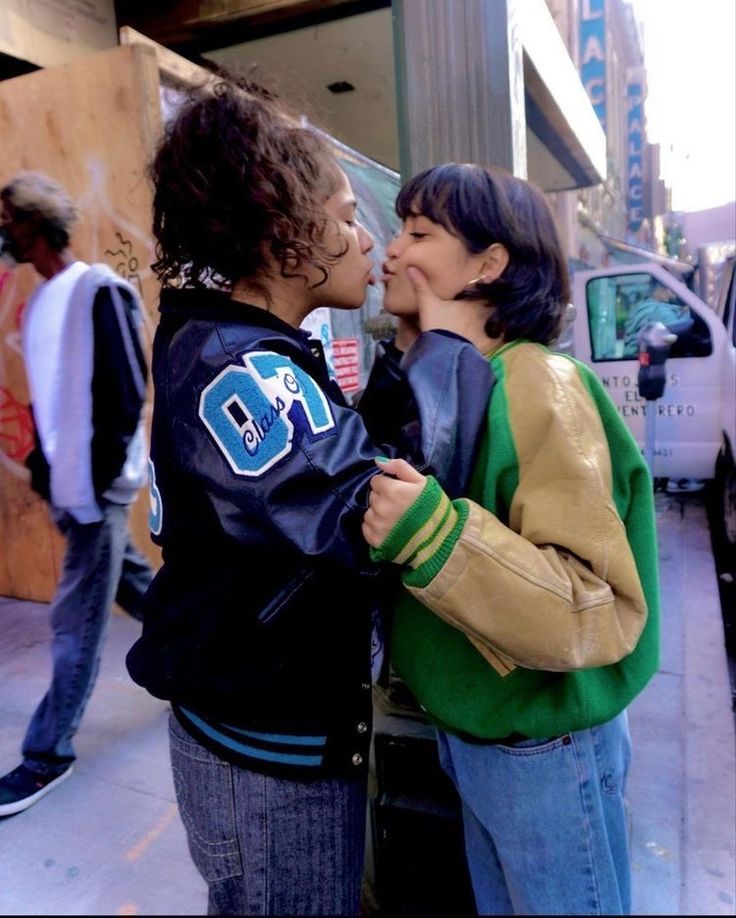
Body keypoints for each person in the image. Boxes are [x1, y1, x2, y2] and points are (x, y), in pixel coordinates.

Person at [123, 78, 490, 916]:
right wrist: (445, 348)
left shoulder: (253, 347)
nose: (371, 242)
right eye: (346, 215)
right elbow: (371, 518)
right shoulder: (233, 366)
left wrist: (404, 359)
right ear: (285, 232)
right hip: (267, 767)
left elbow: (340, 457)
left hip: (266, 739)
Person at [361, 163, 661, 916]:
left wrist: (430, 533)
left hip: (543, 748)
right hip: (482, 735)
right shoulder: (451, 377)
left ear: (490, 264)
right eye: (397, 228)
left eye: (419, 233)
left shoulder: (535, 382)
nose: (390, 250)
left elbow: (591, 602)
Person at [0, 172, 154, 817]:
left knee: (74, 623)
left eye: (7, 218)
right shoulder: (44, 301)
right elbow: (55, 399)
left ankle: (46, 756)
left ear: (35, 224)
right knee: (136, 586)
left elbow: (125, 391)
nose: (3, 230)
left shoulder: (97, 289)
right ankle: (207, 659)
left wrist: (87, 484)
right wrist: (43, 465)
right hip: (71, 486)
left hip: (95, 492)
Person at [622, 281, 692, 356]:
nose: (673, 296)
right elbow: (676, 338)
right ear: (662, 290)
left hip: (630, 358)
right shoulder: (660, 310)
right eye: (672, 292)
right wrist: (686, 314)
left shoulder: (640, 307)